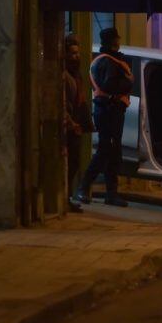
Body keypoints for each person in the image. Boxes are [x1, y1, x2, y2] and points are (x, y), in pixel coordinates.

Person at [75, 27, 134, 207]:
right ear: (113, 41)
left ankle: (110, 193)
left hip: (108, 109)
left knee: (111, 150)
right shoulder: (109, 62)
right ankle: (84, 188)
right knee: (106, 150)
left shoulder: (101, 60)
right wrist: (128, 82)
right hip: (110, 110)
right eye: (116, 39)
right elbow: (111, 84)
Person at [64, 34, 94, 213]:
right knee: (69, 164)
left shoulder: (76, 75)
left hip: (76, 126)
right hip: (69, 126)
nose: (77, 56)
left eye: (78, 53)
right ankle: (66, 197)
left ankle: (68, 196)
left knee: (74, 163)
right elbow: (62, 102)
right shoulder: (66, 76)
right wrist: (70, 122)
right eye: (73, 53)